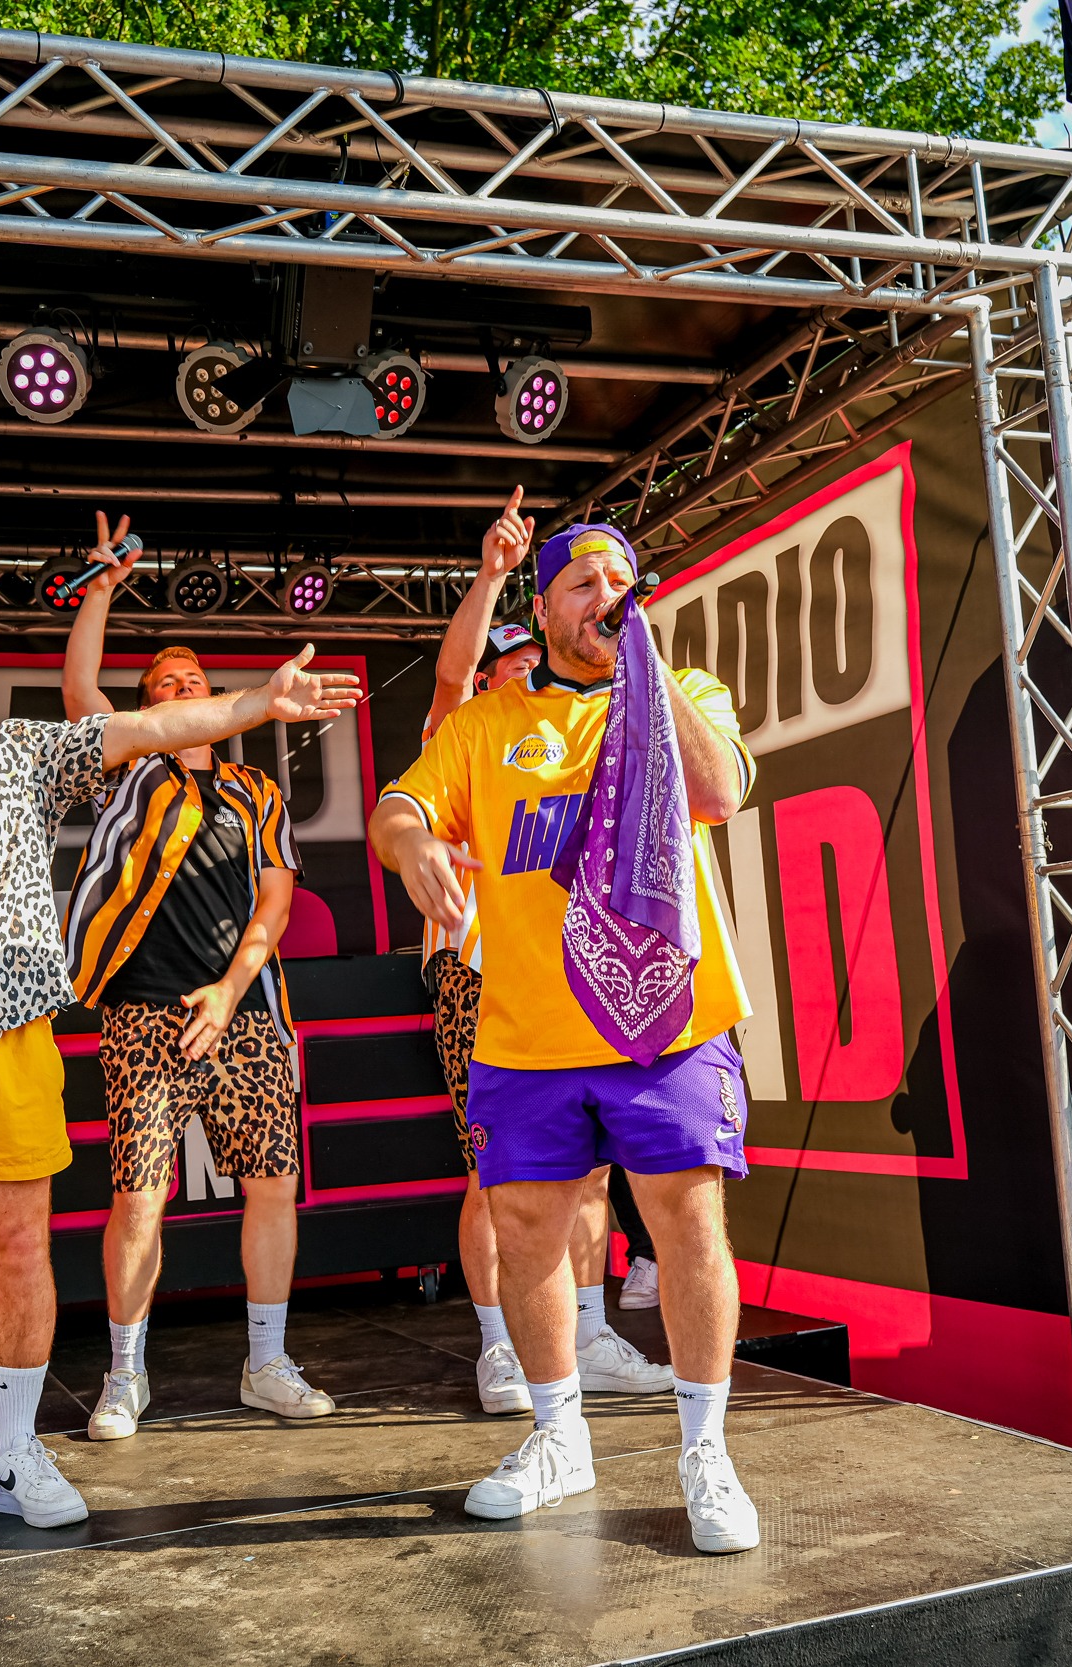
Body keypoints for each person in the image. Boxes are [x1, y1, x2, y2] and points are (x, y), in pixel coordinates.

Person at [0, 558, 360, 1550]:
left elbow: (146, 728)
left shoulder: (25, 752)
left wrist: (257, 703)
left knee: (20, 1247)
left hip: (15, 1041)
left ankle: (15, 1453)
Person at [371, 521, 762, 1555]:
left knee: (687, 1225)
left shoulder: (686, 690)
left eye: (621, 580)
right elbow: (398, 805)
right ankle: (557, 1435)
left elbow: (719, 791)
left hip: (666, 1023)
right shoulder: (488, 722)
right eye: (584, 583)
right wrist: (412, 844)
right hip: (527, 1034)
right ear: (541, 607)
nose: (606, 594)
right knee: (529, 1231)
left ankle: (706, 1450)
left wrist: (646, 663)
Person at [59, 515, 340, 1444]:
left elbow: (276, 903)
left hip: (245, 1013)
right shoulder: (130, 766)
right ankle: (124, 1374)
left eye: (191, 682)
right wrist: (102, 587)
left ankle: (266, 1362)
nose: (179, 691)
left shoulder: (257, 794)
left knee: (272, 1185)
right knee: (139, 1195)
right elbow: (79, 692)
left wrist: (229, 990)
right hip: (142, 1014)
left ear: (218, 698)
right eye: (162, 686)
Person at [425, 491, 672, 1415]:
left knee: (594, 1168)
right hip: (479, 977)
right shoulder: (470, 730)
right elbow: (451, 676)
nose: (526, 672)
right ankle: (501, 1344)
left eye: (533, 662)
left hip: (581, 969)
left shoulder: (590, 720)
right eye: (512, 663)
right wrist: (493, 577)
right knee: (500, 1178)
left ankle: (590, 1328)